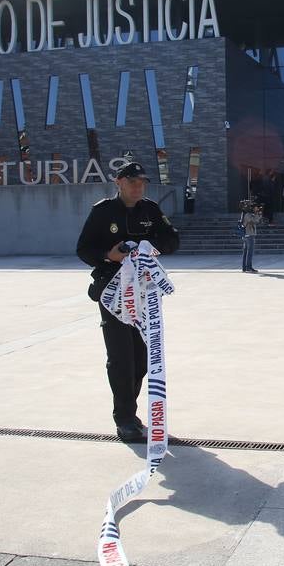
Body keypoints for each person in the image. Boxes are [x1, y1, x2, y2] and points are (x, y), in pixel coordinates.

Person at [75, 162, 181, 442]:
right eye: (132, 181)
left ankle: (129, 411)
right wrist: (110, 254)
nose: (138, 186)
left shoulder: (150, 209)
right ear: (118, 182)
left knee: (142, 358)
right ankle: (124, 419)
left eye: (142, 182)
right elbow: (83, 249)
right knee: (121, 358)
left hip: (145, 293)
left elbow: (172, 240)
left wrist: (149, 248)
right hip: (113, 293)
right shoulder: (102, 212)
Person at [239, 201, 262, 273]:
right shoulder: (247, 215)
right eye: (253, 207)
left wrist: (257, 214)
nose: (255, 208)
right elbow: (255, 221)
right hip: (249, 235)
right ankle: (248, 267)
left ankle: (244, 267)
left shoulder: (245, 214)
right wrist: (258, 214)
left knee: (246, 251)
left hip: (246, 235)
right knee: (250, 252)